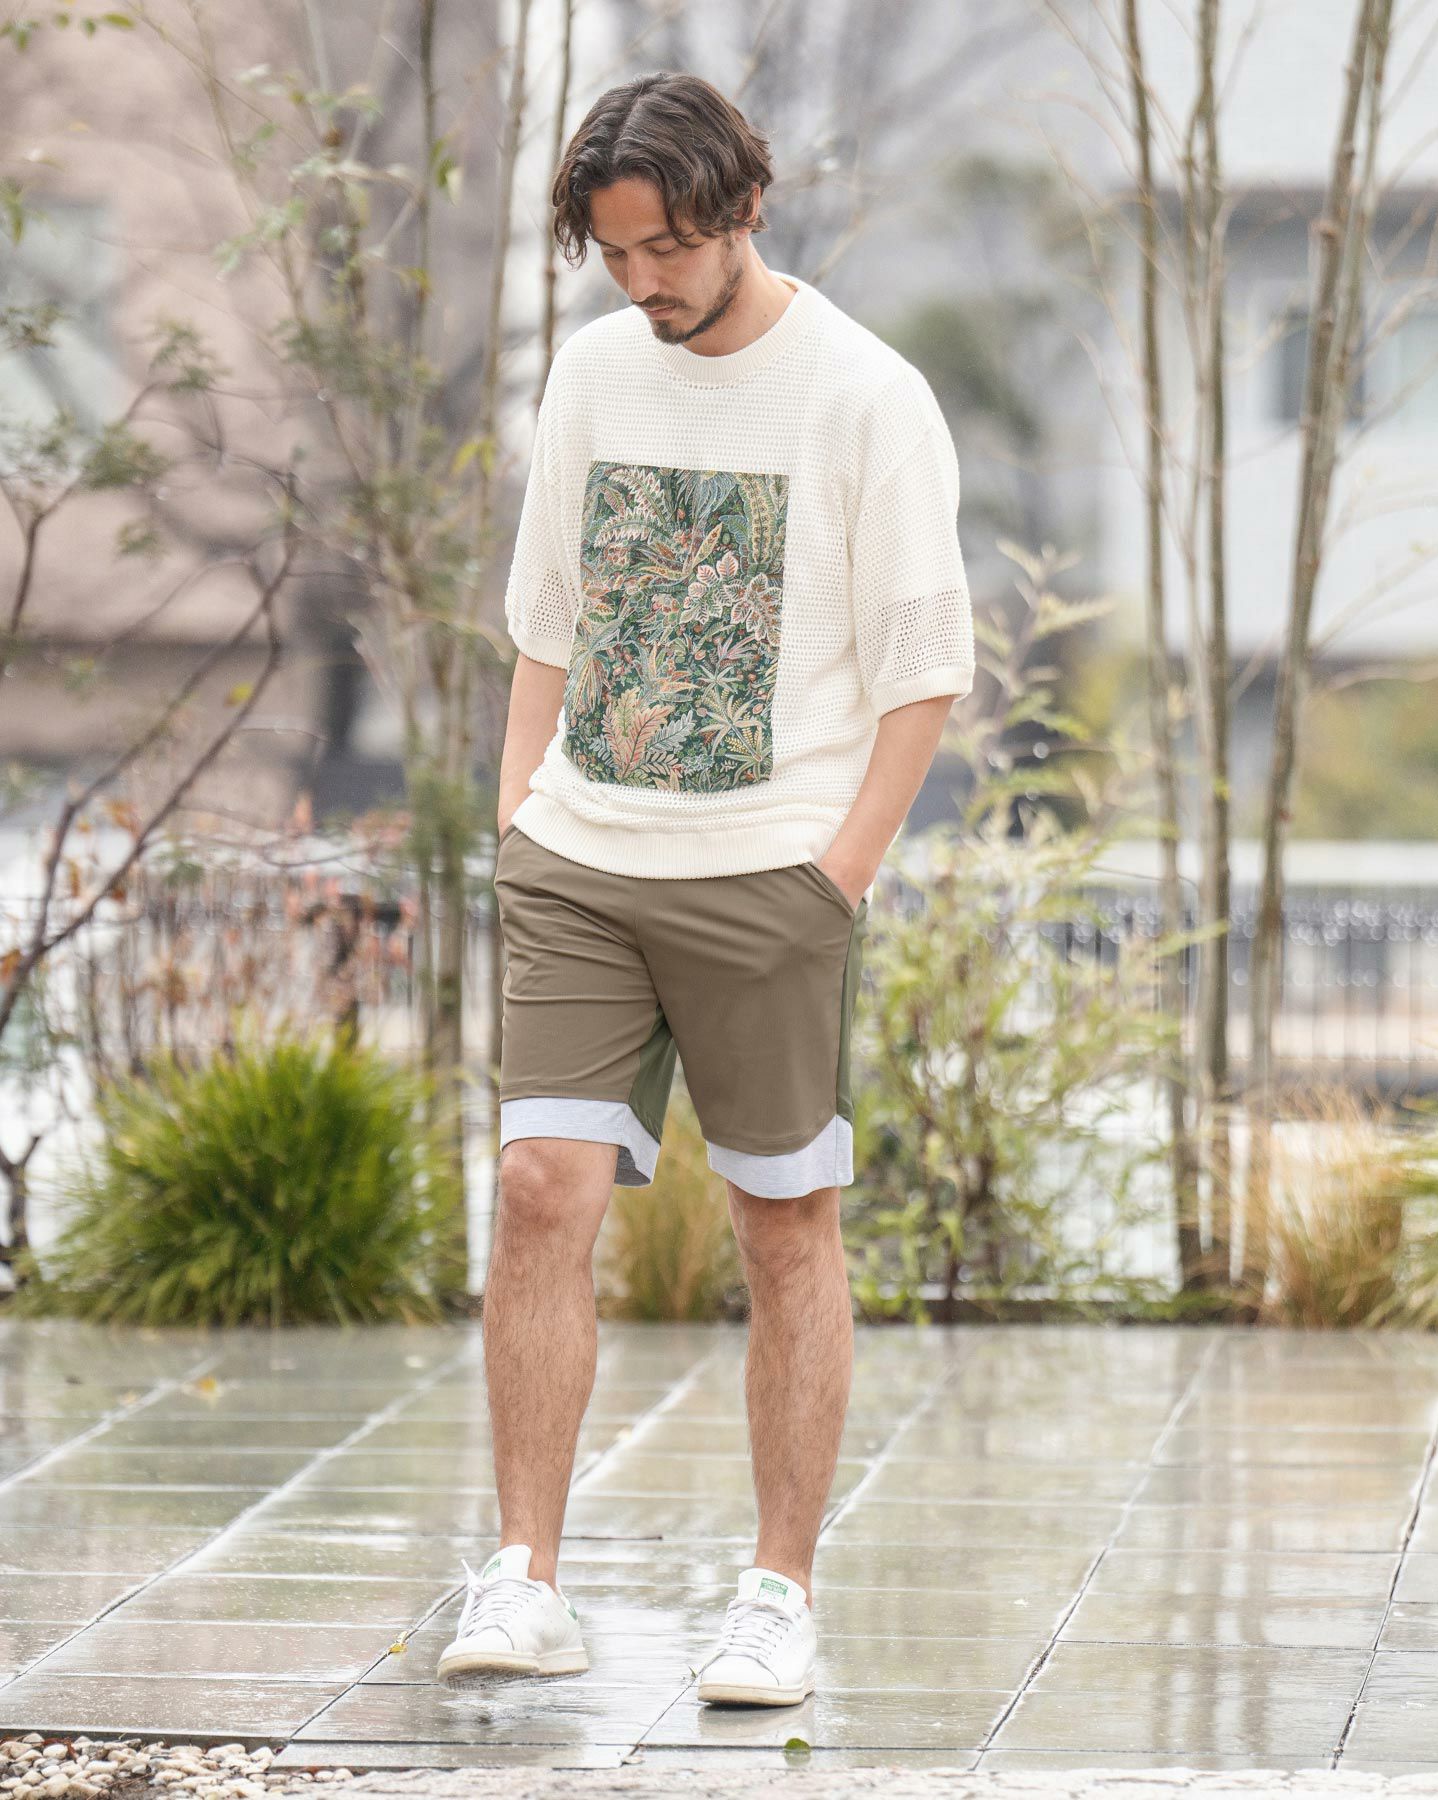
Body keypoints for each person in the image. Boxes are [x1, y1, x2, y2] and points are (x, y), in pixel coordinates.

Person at [437, 69, 974, 1708]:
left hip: (772, 876)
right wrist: (521, 822)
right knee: (541, 1190)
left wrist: (837, 877)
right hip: (582, 859)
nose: (644, 283)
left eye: (667, 248)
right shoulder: (594, 376)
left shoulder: (866, 397)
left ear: (743, 208)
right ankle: (525, 1576)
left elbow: (924, 667)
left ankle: (776, 1596)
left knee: (782, 1226)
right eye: (615, 256)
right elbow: (547, 621)